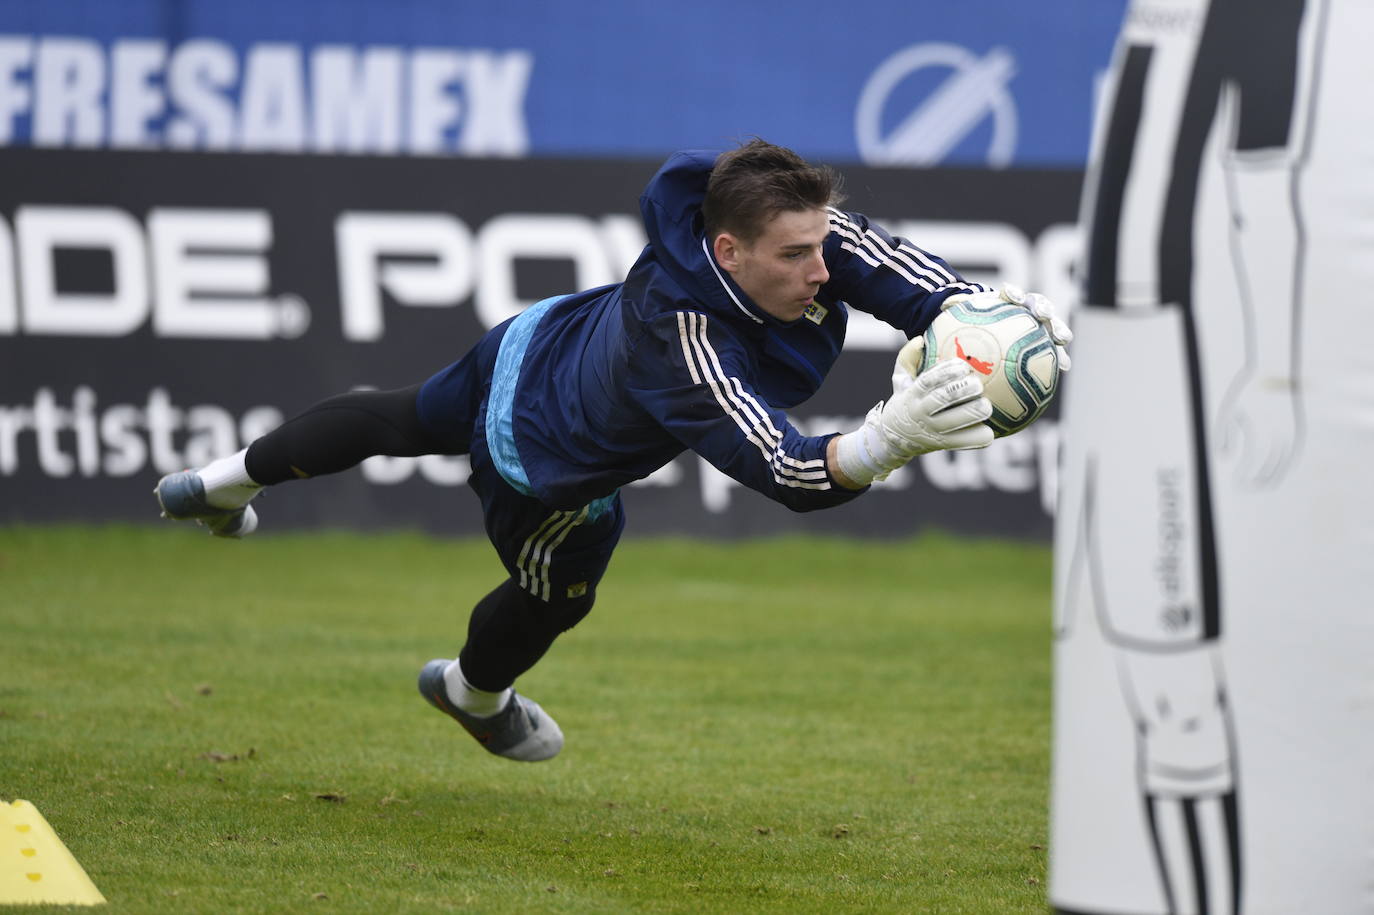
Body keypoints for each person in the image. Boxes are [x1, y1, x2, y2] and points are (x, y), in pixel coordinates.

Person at [155, 139, 1071, 763]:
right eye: (796, 256)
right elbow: (788, 471)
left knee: (398, 419)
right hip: (547, 463)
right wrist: (882, 442)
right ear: (729, 251)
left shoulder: (783, 229)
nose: (821, 269)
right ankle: (472, 696)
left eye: (820, 244)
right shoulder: (686, 345)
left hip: (530, 342)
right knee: (560, 587)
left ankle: (217, 483)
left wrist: (975, 312)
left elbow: (906, 279)